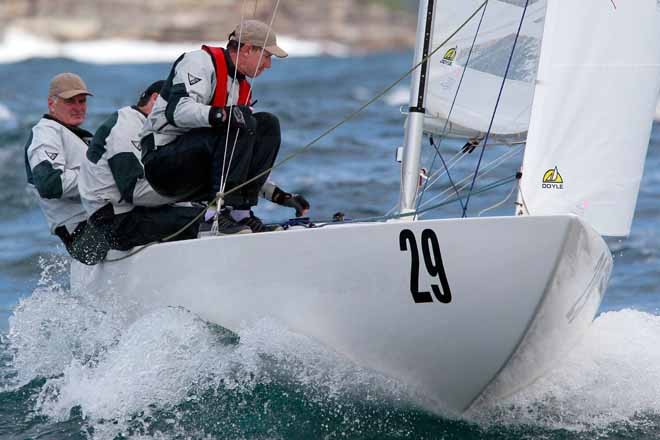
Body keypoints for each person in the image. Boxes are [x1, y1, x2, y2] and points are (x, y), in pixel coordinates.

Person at [140, 19, 309, 234]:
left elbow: (241, 155)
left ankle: (240, 213)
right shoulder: (199, 62)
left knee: (267, 124)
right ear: (247, 49)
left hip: (202, 169)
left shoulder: (242, 87)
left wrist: (279, 195)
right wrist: (222, 114)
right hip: (163, 166)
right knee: (239, 122)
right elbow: (178, 112)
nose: (269, 65)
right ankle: (213, 216)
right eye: (267, 56)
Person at [79, 81, 202, 251]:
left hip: (128, 214)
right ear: (156, 100)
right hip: (115, 222)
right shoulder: (127, 125)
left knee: (212, 215)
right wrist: (191, 192)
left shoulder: (149, 128)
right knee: (206, 221)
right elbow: (133, 190)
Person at [24, 72, 108, 265]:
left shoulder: (77, 135)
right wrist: (101, 177)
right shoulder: (45, 133)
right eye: (70, 102)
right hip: (83, 237)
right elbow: (50, 184)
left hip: (100, 223)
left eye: (82, 101)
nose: (78, 108)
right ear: (51, 103)